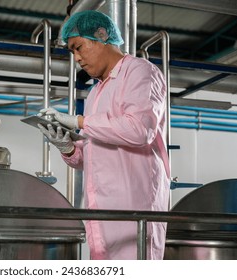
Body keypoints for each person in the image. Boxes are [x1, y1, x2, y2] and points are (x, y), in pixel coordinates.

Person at [37, 10, 170, 260]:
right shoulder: (96, 93)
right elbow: (94, 155)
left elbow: (139, 130)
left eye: (78, 47)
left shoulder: (140, 72)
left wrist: (80, 121)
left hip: (134, 214)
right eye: (72, 52)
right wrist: (67, 147)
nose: (77, 58)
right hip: (101, 216)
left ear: (101, 36)